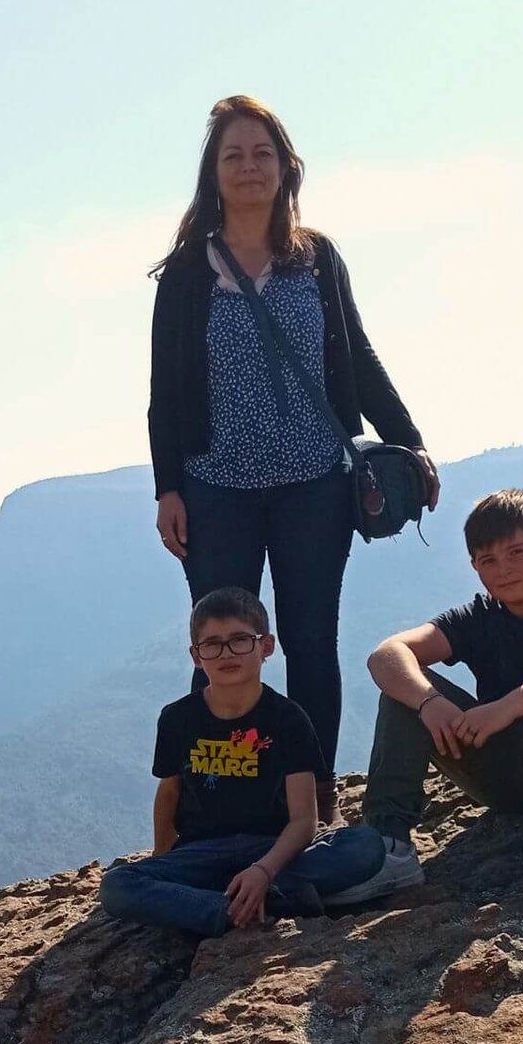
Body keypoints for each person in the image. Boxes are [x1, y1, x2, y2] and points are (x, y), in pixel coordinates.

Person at [148, 93, 438, 822]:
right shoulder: (186, 275)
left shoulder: (318, 259)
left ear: (286, 168)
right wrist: (167, 489)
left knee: (310, 643)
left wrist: (409, 439)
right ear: (213, 174)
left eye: (262, 154)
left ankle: (313, 801)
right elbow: (162, 393)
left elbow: (359, 360)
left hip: (315, 482)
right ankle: (216, 804)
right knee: (222, 650)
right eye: (233, 155)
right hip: (216, 487)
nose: (248, 167)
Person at [334, 488, 523, 903]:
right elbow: (386, 656)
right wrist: (429, 702)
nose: (504, 570)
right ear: (475, 567)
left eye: (516, 553)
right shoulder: (476, 618)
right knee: (404, 691)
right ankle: (389, 847)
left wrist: (508, 707)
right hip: (505, 777)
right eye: (488, 560)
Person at [99, 587, 384, 938]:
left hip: (270, 848)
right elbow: (169, 791)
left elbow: (304, 819)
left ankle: (228, 899)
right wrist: (162, 858)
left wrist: (263, 871)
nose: (226, 653)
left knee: (366, 847)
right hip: (200, 852)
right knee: (117, 885)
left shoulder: (289, 719)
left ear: (266, 646)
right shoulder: (177, 719)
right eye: (212, 644)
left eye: (240, 640)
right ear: (195, 656)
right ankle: (239, 907)